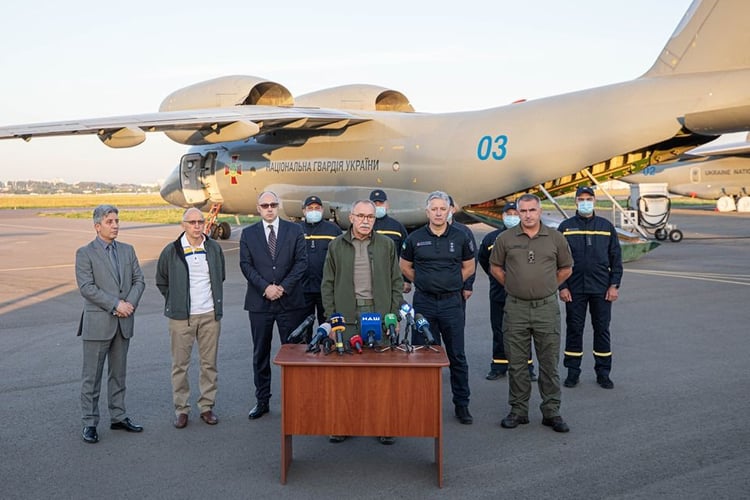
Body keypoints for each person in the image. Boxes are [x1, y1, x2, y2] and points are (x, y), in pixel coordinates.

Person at [321, 199, 404, 444]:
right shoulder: (336, 246)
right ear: (351, 218)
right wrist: (331, 320)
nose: (366, 221)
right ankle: (343, 424)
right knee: (346, 374)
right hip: (347, 315)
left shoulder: (386, 245)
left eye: (370, 217)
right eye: (361, 216)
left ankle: (383, 424)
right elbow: (327, 284)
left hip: (378, 313)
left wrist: (393, 315)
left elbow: (396, 282)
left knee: (380, 373)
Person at [489, 193, 573, 433]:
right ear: (518, 213)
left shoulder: (555, 238)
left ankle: (551, 411)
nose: (527, 215)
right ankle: (518, 410)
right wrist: (512, 285)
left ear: (540, 211)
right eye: (523, 211)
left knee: (549, 364)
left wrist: (548, 286)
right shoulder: (506, 239)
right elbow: (495, 267)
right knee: (517, 364)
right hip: (516, 308)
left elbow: (566, 268)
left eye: (532, 210)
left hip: (546, 308)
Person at [400, 191, 476, 425]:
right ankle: (423, 404)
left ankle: (462, 404)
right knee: (422, 354)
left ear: (450, 211)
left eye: (443, 209)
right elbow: (405, 266)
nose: (439, 213)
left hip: (452, 303)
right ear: (427, 212)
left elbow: (469, 267)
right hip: (424, 304)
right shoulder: (414, 238)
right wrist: (425, 282)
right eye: (434, 209)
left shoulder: (461, 236)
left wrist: (450, 283)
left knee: (457, 355)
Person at [75, 204, 145, 444]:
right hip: (98, 324)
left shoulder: (127, 250)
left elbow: (139, 280)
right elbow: (87, 287)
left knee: (119, 374)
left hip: (123, 323)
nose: (115, 225)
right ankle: (89, 422)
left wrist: (129, 304)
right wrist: (116, 305)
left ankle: (118, 416)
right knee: (91, 377)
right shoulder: (85, 253)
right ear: (97, 226)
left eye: (116, 221)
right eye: (109, 222)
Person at [156, 208, 226, 429]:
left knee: (209, 364)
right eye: (192, 222)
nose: (197, 226)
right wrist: (176, 301)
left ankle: (206, 407)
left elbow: (220, 276)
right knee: (180, 365)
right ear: (183, 225)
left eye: (200, 222)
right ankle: (182, 409)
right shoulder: (171, 250)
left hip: (209, 315)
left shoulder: (213, 248)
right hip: (181, 318)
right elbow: (161, 280)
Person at [240, 191, 308, 420]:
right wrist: (265, 288)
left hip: (289, 302)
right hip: (260, 303)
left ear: (278, 206)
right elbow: (246, 265)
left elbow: (301, 263)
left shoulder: (294, 230)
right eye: (264, 205)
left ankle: (297, 400)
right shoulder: (248, 233)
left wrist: (283, 287)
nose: (269, 208)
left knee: (294, 353)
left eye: (273, 204)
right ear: (258, 208)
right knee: (261, 353)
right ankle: (262, 400)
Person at [558, 186, 623, 389]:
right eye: (581, 199)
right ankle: (572, 372)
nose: (585, 202)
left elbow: (616, 258)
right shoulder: (565, 227)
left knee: (602, 330)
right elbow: (557, 260)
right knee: (574, 329)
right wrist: (562, 287)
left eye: (588, 198)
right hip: (574, 289)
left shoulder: (606, 226)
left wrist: (614, 285)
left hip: (601, 289)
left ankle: (603, 373)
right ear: (575, 202)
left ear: (594, 201)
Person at [477, 202, 536, 381]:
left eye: (515, 213)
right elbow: (484, 260)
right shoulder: (491, 239)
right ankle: (499, 365)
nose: (512, 217)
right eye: (508, 214)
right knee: (499, 330)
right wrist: (497, 277)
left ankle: (527, 367)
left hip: (523, 294)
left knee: (524, 331)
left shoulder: (529, 236)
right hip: (499, 293)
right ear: (502, 216)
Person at [298, 195, 341, 341]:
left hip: (326, 290)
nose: (313, 211)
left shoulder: (333, 230)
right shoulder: (296, 230)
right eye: (310, 208)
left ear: (322, 210)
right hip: (302, 290)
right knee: (303, 330)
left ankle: (326, 351)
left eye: (317, 208)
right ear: (304, 211)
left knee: (327, 328)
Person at [370, 189, 411, 293]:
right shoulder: (364, 226)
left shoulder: (397, 227)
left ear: (387, 205)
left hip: (392, 280)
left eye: (380, 203)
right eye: (375, 203)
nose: (378, 206)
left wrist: (406, 280)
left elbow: (406, 254)